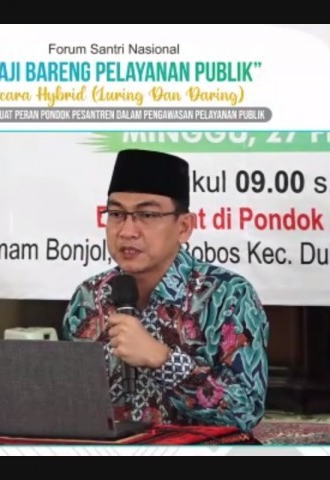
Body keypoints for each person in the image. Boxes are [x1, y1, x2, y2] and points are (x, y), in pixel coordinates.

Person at [63, 149, 269, 432]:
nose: (127, 231)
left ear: (184, 227)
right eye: (116, 214)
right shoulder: (88, 297)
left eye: (147, 215)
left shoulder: (229, 296)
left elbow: (246, 411)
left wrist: (163, 360)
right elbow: (72, 402)